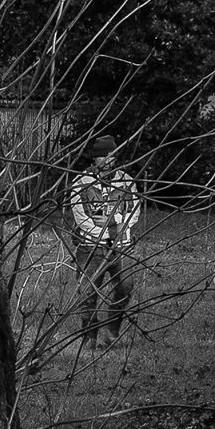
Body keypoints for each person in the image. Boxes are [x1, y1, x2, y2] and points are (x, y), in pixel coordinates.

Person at [68, 135, 140, 347]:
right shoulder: (80, 183)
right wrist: (109, 231)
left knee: (125, 288)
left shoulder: (127, 181)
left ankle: (111, 332)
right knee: (88, 293)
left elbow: (133, 213)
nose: (109, 160)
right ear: (95, 159)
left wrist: (112, 223)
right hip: (90, 248)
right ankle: (89, 337)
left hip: (122, 247)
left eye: (112, 156)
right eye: (104, 156)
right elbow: (82, 219)